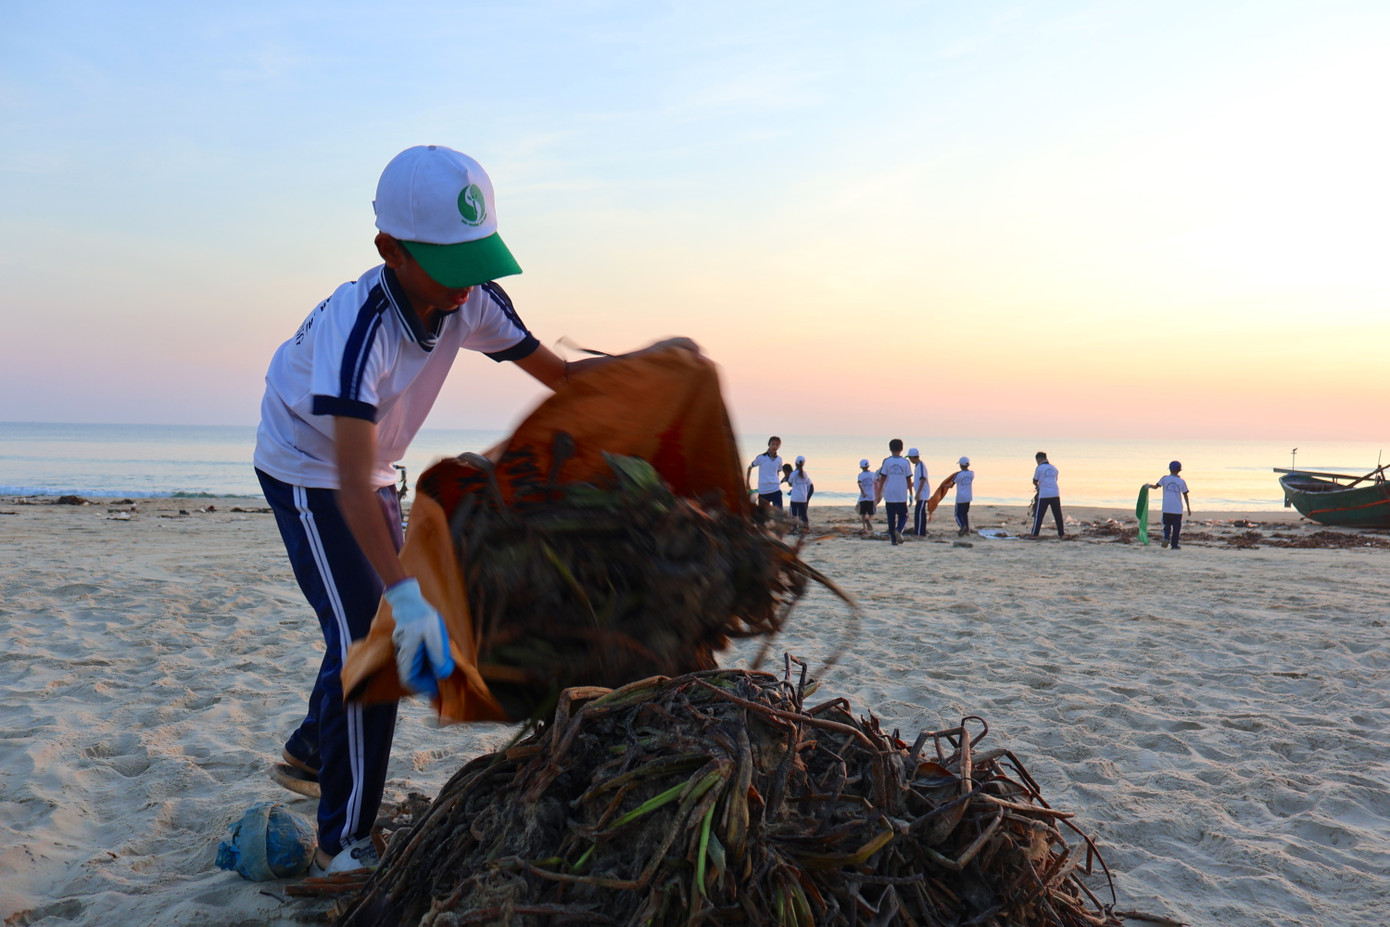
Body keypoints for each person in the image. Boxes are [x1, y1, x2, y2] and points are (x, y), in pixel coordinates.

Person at [253, 144, 692, 875]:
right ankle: (346, 845)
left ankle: (310, 747)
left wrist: (642, 377)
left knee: (363, 626)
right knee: (378, 639)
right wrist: (402, 593)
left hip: (375, 465)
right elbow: (349, 478)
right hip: (309, 465)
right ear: (390, 250)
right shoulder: (357, 334)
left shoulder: (473, 294)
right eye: (447, 263)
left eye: (476, 256)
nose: (466, 283)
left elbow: (557, 375)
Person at [876, 439, 913, 545]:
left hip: (889, 493)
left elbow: (882, 477)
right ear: (901, 449)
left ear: (890, 448)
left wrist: (879, 491)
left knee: (891, 517)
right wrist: (911, 493)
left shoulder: (887, 461)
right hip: (901, 492)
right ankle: (899, 530)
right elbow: (908, 479)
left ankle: (894, 540)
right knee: (903, 515)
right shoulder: (905, 462)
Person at [1151, 461, 1191, 549]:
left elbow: (1156, 486)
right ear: (1179, 470)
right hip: (1177, 509)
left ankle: (1166, 538)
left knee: (1167, 525)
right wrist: (1188, 507)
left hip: (1167, 507)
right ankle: (1174, 545)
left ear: (1169, 469)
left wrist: (1148, 486)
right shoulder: (1181, 481)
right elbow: (1185, 494)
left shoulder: (1165, 479)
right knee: (1176, 528)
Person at [1029, 451, 1064, 538]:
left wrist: (1038, 487)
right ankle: (1061, 533)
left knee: (1039, 515)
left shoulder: (1039, 468)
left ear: (1039, 459)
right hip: (1055, 493)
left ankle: (1035, 533)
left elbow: (1035, 480)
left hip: (1044, 494)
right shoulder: (1054, 468)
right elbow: (1054, 480)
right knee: (1057, 515)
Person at [746, 437, 784, 509]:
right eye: (773, 444)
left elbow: (778, 472)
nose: (775, 446)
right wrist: (747, 483)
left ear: (779, 446)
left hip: (775, 489)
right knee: (762, 514)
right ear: (769, 444)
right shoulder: (761, 457)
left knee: (779, 513)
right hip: (763, 490)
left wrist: (777, 482)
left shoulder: (779, 459)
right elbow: (750, 467)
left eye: (777, 445)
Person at [787, 455, 813, 530]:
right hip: (803, 498)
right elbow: (808, 484)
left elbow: (790, 482)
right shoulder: (805, 474)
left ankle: (794, 528)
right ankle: (805, 528)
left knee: (794, 514)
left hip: (795, 498)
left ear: (795, 463)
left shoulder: (793, 474)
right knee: (803, 514)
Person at [909, 448, 930, 537]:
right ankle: (922, 531)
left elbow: (922, 479)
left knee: (919, 512)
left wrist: (918, 493)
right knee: (921, 512)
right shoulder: (917, 466)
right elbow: (918, 480)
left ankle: (919, 532)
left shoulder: (921, 465)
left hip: (923, 493)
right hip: (921, 493)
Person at [953, 456, 975, 536]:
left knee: (958, 514)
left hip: (960, 497)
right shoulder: (972, 473)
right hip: (968, 497)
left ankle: (963, 526)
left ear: (961, 465)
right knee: (965, 513)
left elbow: (952, 483)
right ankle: (967, 530)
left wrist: (944, 485)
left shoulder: (959, 475)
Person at [855, 459, 876, 537]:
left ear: (861, 467)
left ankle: (864, 527)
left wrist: (863, 492)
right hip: (871, 496)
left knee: (863, 513)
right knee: (872, 513)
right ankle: (869, 520)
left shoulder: (860, 475)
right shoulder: (873, 474)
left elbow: (859, 484)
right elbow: (878, 480)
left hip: (863, 497)